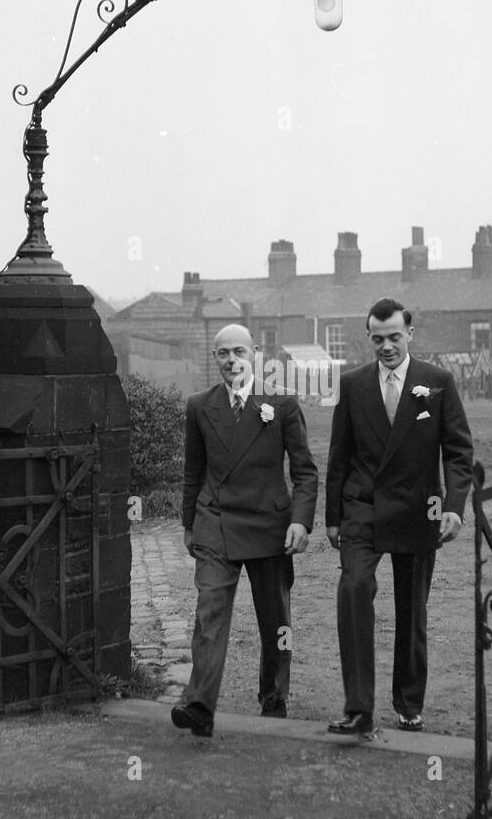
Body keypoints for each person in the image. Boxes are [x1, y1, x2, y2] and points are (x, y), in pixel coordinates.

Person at [325, 298, 473, 734]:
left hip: (417, 508)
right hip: (362, 507)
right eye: (377, 339)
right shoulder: (353, 384)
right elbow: (339, 455)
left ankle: (409, 703)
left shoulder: (437, 381)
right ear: (368, 337)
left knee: (412, 611)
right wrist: (334, 517)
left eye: (393, 337)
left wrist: (453, 507)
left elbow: (459, 452)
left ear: (410, 333)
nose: (386, 347)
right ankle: (358, 707)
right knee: (353, 591)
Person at [172, 324, 318, 737]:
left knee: (276, 620)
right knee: (210, 612)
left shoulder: (281, 404)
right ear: (214, 358)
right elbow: (193, 471)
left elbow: (305, 471)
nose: (231, 360)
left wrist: (299, 520)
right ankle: (198, 704)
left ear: (254, 352)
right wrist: (189, 525)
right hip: (215, 521)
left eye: (239, 351)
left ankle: (274, 699)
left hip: (268, 525)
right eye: (222, 354)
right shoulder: (200, 406)